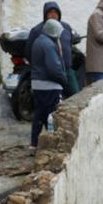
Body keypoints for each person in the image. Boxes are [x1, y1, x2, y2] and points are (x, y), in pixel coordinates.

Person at [25, 1, 79, 97]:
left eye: (55, 12)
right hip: (49, 73)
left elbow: (70, 44)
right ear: (45, 15)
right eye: (50, 12)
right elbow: (29, 52)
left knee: (76, 96)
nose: (53, 15)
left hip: (67, 70)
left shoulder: (65, 27)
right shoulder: (37, 30)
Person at [30, 19, 67, 148]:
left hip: (37, 84)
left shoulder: (38, 41)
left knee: (39, 115)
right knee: (53, 115)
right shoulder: (49, 45)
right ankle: (53, 145)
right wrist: (64, 79)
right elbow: (54, 69)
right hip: (50, 86)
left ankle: (34, 143)